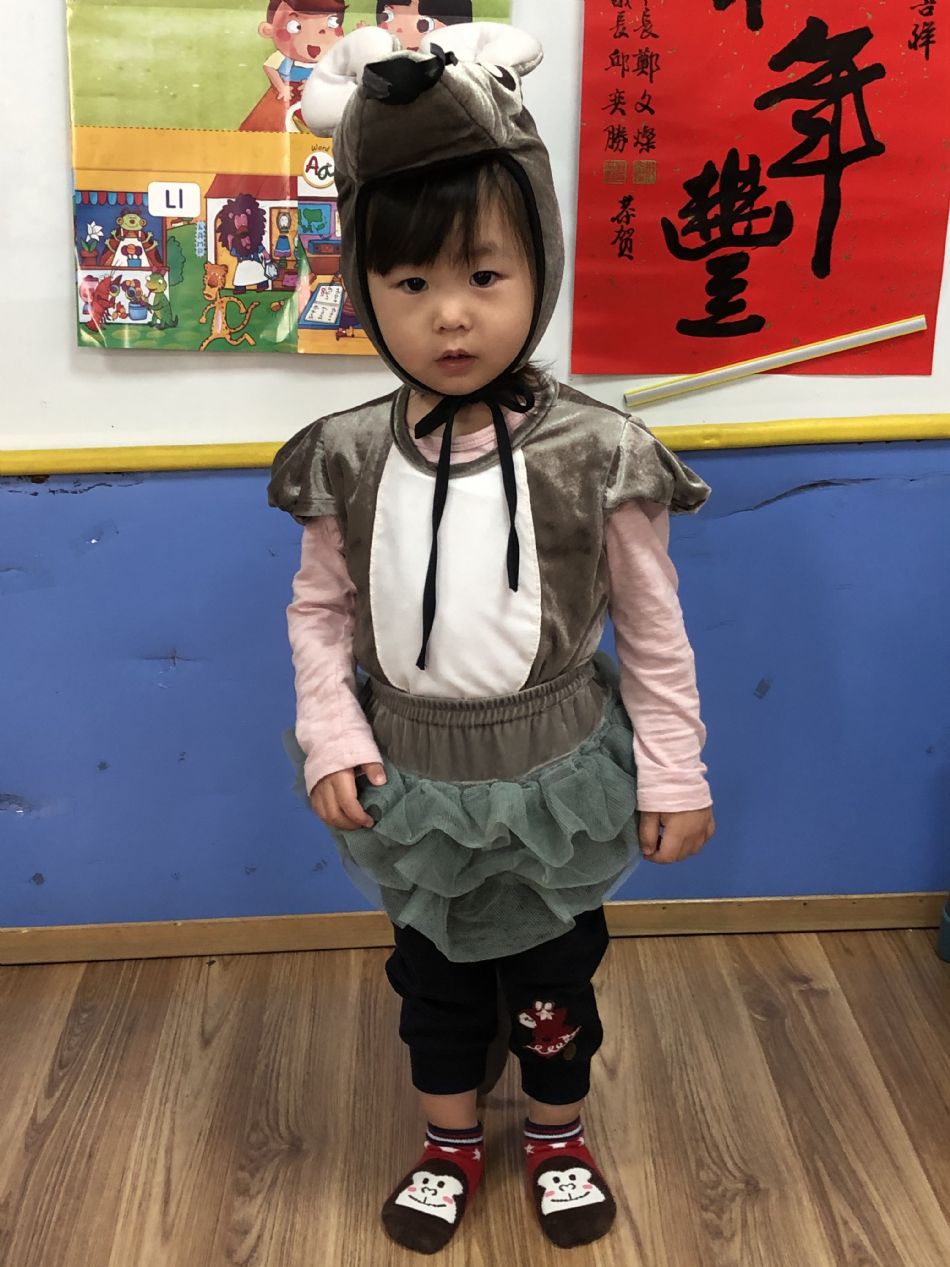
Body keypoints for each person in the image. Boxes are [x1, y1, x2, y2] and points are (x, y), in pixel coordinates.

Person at [268, 23, 716, 1254]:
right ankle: (450, 1138)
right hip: (412, 780)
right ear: (366, 289)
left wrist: (673, 768)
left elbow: (653, 628)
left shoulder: (596, 451)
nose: (449, 315)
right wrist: (330, 732)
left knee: (556, 984)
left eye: (482, 274)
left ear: (541, 267)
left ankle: (557, 1132)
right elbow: (320, 612)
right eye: (409, 284)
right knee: (434, 986)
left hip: (560, 775)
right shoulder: (345, 456)